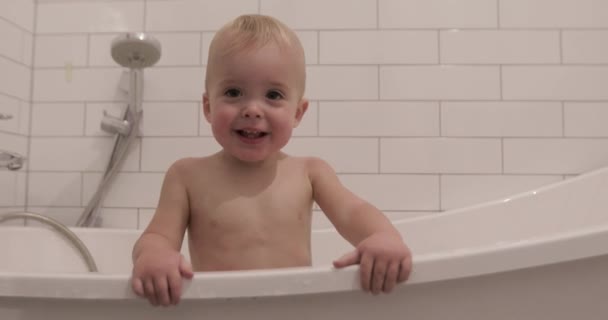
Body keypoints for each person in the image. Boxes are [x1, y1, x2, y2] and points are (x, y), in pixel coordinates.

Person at [131, 14, 412, 307]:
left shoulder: (309, 172)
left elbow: (354, 212)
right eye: (233, 92)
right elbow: (158, 235)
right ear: (208, 106)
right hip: (216, 311)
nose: (252, 109)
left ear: (298, 113)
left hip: (294, 310)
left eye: (273, 95)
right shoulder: (187, 175)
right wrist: (154, 254)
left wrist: (383, 236)